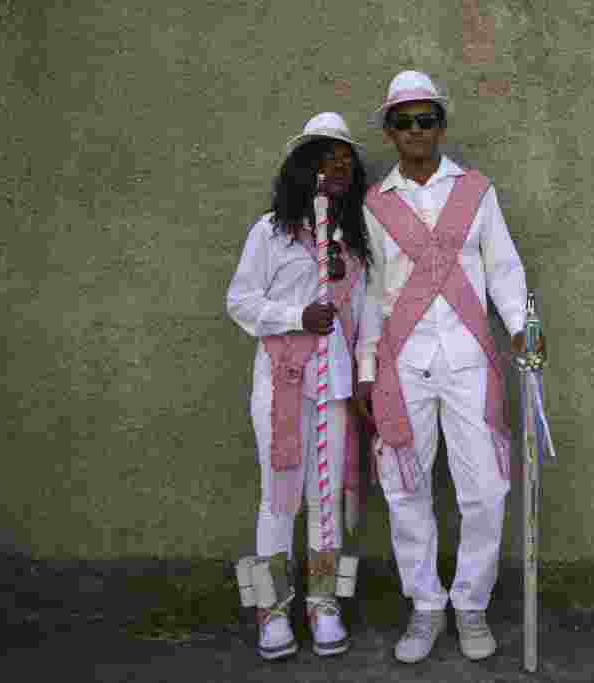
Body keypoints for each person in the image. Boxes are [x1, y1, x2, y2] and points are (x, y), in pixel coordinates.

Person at [354, 70, 544, 664]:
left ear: (442, 125)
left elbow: (505, 269)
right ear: (389, 131)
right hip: (402, 365)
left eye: (427, 118)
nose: (417, 130)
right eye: (404, 120)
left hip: (469, 361)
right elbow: (367, 293)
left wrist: (523, 328)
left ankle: (470, 604)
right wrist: (364, 367)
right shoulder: (374, 205)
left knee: (485, 488)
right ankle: (426, 606)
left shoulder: (477, 192)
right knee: (406, 488)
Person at [226, 112, 379, 661]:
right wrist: (296, 315)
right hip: (283, 383)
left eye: (345, 160)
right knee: (278, 499)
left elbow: (367, 324)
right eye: (326, 157)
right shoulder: (269, 232)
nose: (337, 166)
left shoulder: (355, 243)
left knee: (326, 498)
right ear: (303, 169)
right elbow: (240, 302)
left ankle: (323, 603)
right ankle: (270, 610)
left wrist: (366, 381)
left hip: (333, 386)